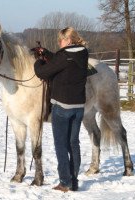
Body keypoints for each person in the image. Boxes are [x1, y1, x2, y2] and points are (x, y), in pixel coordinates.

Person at [34, 27, 89, 192]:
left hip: (62, 107)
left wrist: (39, 60)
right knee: (74, 143)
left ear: (69, 40)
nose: (59, 43)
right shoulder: (83, 53)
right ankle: (74, 180)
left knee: (61, 145)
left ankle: (65, 182)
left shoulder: (64, 56)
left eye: (61, 40)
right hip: (78, 106)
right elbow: (63, 62)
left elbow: (42, 72)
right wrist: (48, 53)